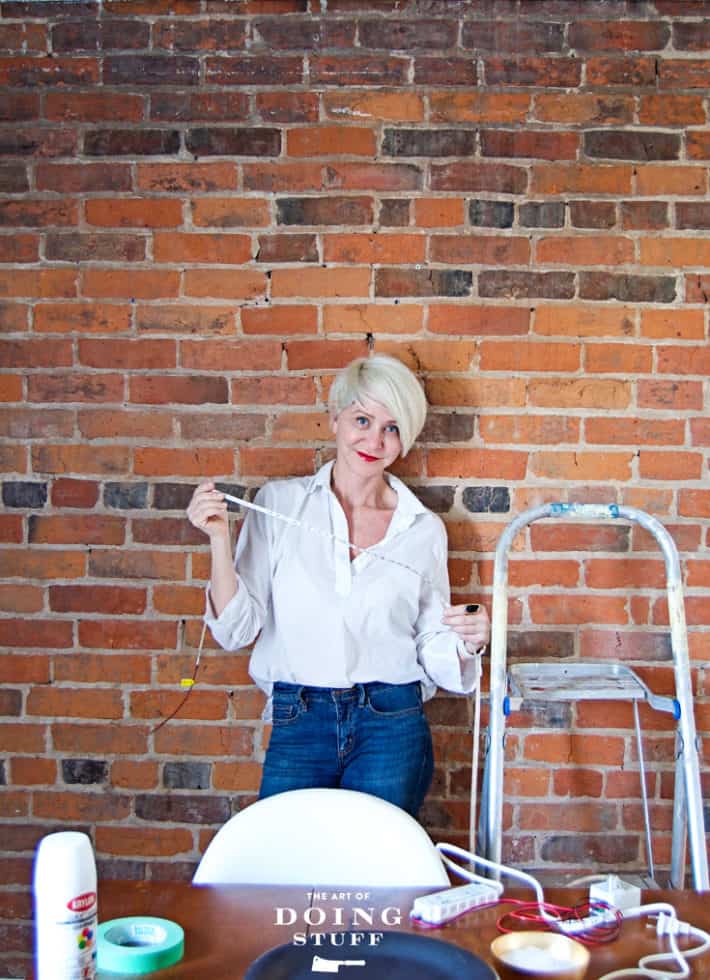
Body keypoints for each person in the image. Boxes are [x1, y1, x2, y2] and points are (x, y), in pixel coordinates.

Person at [187, 354, 490, 816]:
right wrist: (218, 540)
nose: (374, 439)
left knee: (380, 876)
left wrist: (468, 643)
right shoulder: (280, 505)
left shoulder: (422, 528)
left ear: (404, 440)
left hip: (392, 723)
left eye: (391, 427)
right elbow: (236, 630)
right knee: (287, 871)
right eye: (362, 420)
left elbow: (431, 640)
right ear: (335, 419)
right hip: (300, 718)